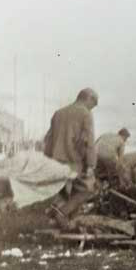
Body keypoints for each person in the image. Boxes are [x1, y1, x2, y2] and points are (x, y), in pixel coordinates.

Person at [42, 87, 100, 228]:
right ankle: (61, 214)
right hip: (73, 161)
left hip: (54, 161)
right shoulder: (85, 114)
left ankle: (68, 221)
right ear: (89, 98)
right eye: (94, 104)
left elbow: (47, 139)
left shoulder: (58, 113)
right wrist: (91, 165)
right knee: (89, 189)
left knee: (67, 191)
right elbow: (89, 142)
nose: (93, 108)